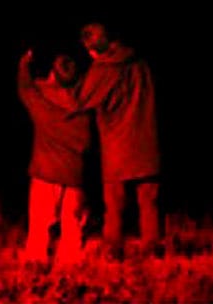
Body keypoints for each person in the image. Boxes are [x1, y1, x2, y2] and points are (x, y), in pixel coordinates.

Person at [46, 22, 161, 258]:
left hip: (119, 145)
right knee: (149, 202)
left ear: (92, 49)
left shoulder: (105, 69)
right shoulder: (140, 63)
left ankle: (113, 249)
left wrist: (51, 88)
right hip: (148, 141)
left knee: (115, 203)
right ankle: (153, 249)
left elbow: (80, 101)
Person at [16, 47, 92, 268]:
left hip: (45, 173)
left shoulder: (43, 102)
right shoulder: (84, 107)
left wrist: (24, 65)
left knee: (40, 223)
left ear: (52, 75)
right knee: (73, 225)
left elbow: (25, 89)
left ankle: (36, 261)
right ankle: (71, 263)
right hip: (75, 174)